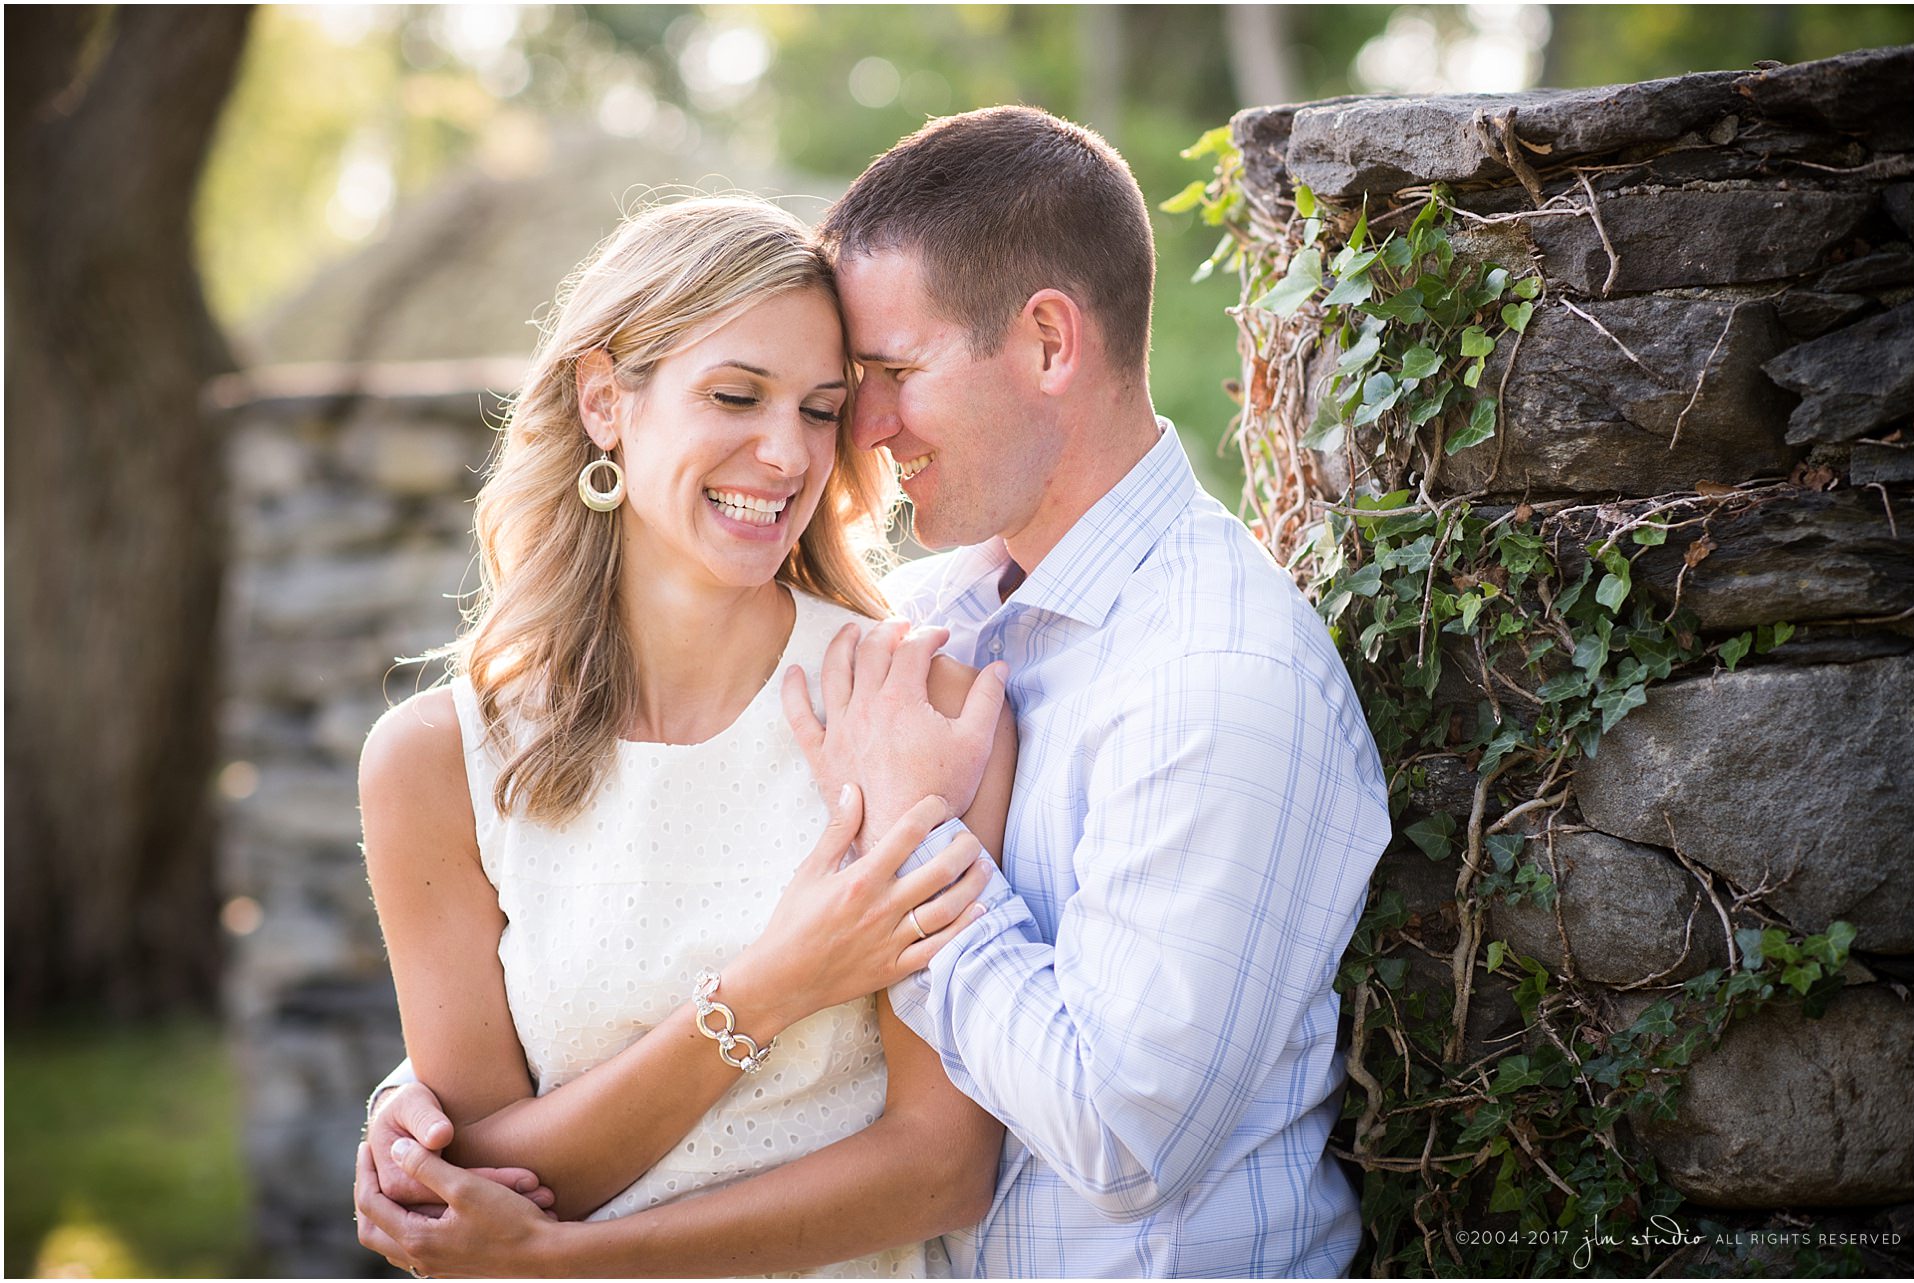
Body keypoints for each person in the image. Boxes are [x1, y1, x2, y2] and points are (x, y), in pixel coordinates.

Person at [361, 106, 1390, 1279]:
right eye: (843, 386)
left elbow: (1120, 1134)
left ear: (1051, 344)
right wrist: (421, 1114)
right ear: (607, 401)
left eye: (875, 379)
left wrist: (905, 863)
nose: (848, 437)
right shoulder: (947, 617)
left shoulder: (1216, 677)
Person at [352, 195, 1018, 1278]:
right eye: (735, 395)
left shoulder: (911, 703)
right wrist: (774, 984)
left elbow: (939, 1164)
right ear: (606, 401)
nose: (785, 451)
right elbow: (480, 1169)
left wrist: (567, 1261)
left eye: (818, 408)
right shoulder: (434, 759)